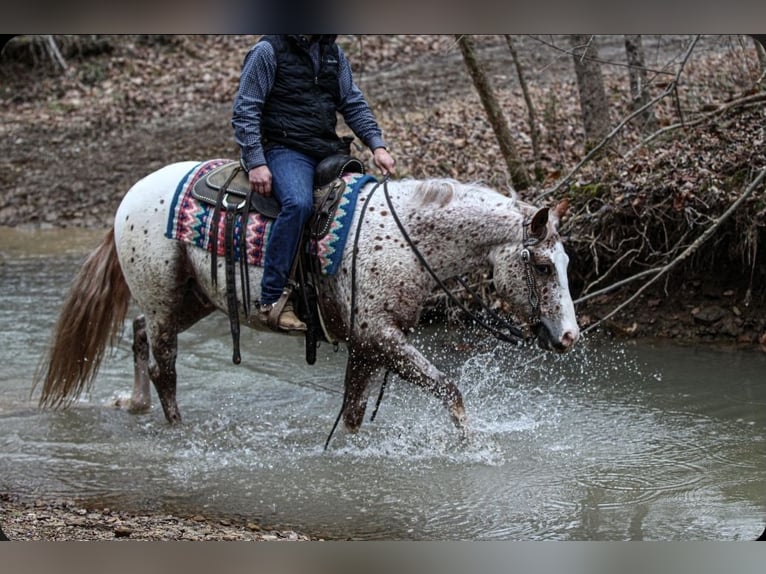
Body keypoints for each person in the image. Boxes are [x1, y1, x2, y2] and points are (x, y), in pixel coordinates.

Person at [232, 34, 395, 332]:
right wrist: (256, 161)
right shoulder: (267, 51)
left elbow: (352, 102)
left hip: (327, 149)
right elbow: (246, 109)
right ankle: (272, 299)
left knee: (364, 208)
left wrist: (377, 145)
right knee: (298, 204)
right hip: (283, 148)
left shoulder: (333, 53)